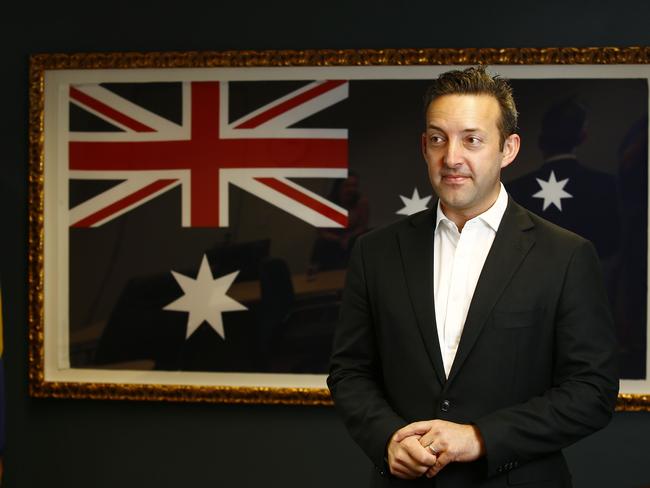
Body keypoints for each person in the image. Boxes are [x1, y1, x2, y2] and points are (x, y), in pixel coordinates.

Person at [327, 66, 618, 487]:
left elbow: (593, 392)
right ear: (424, 147)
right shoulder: (375, 252)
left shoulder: (567, 255)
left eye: (472, 139)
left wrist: (480, 438)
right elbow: (349, 371)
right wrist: (386, 438)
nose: (451, 158)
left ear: (509, 148)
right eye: (438, 139)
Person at [506, 96, 620, 260]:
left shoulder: (514, 190)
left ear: (541, 140)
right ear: (582, 137)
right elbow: (611, 246)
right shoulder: (605, 186)